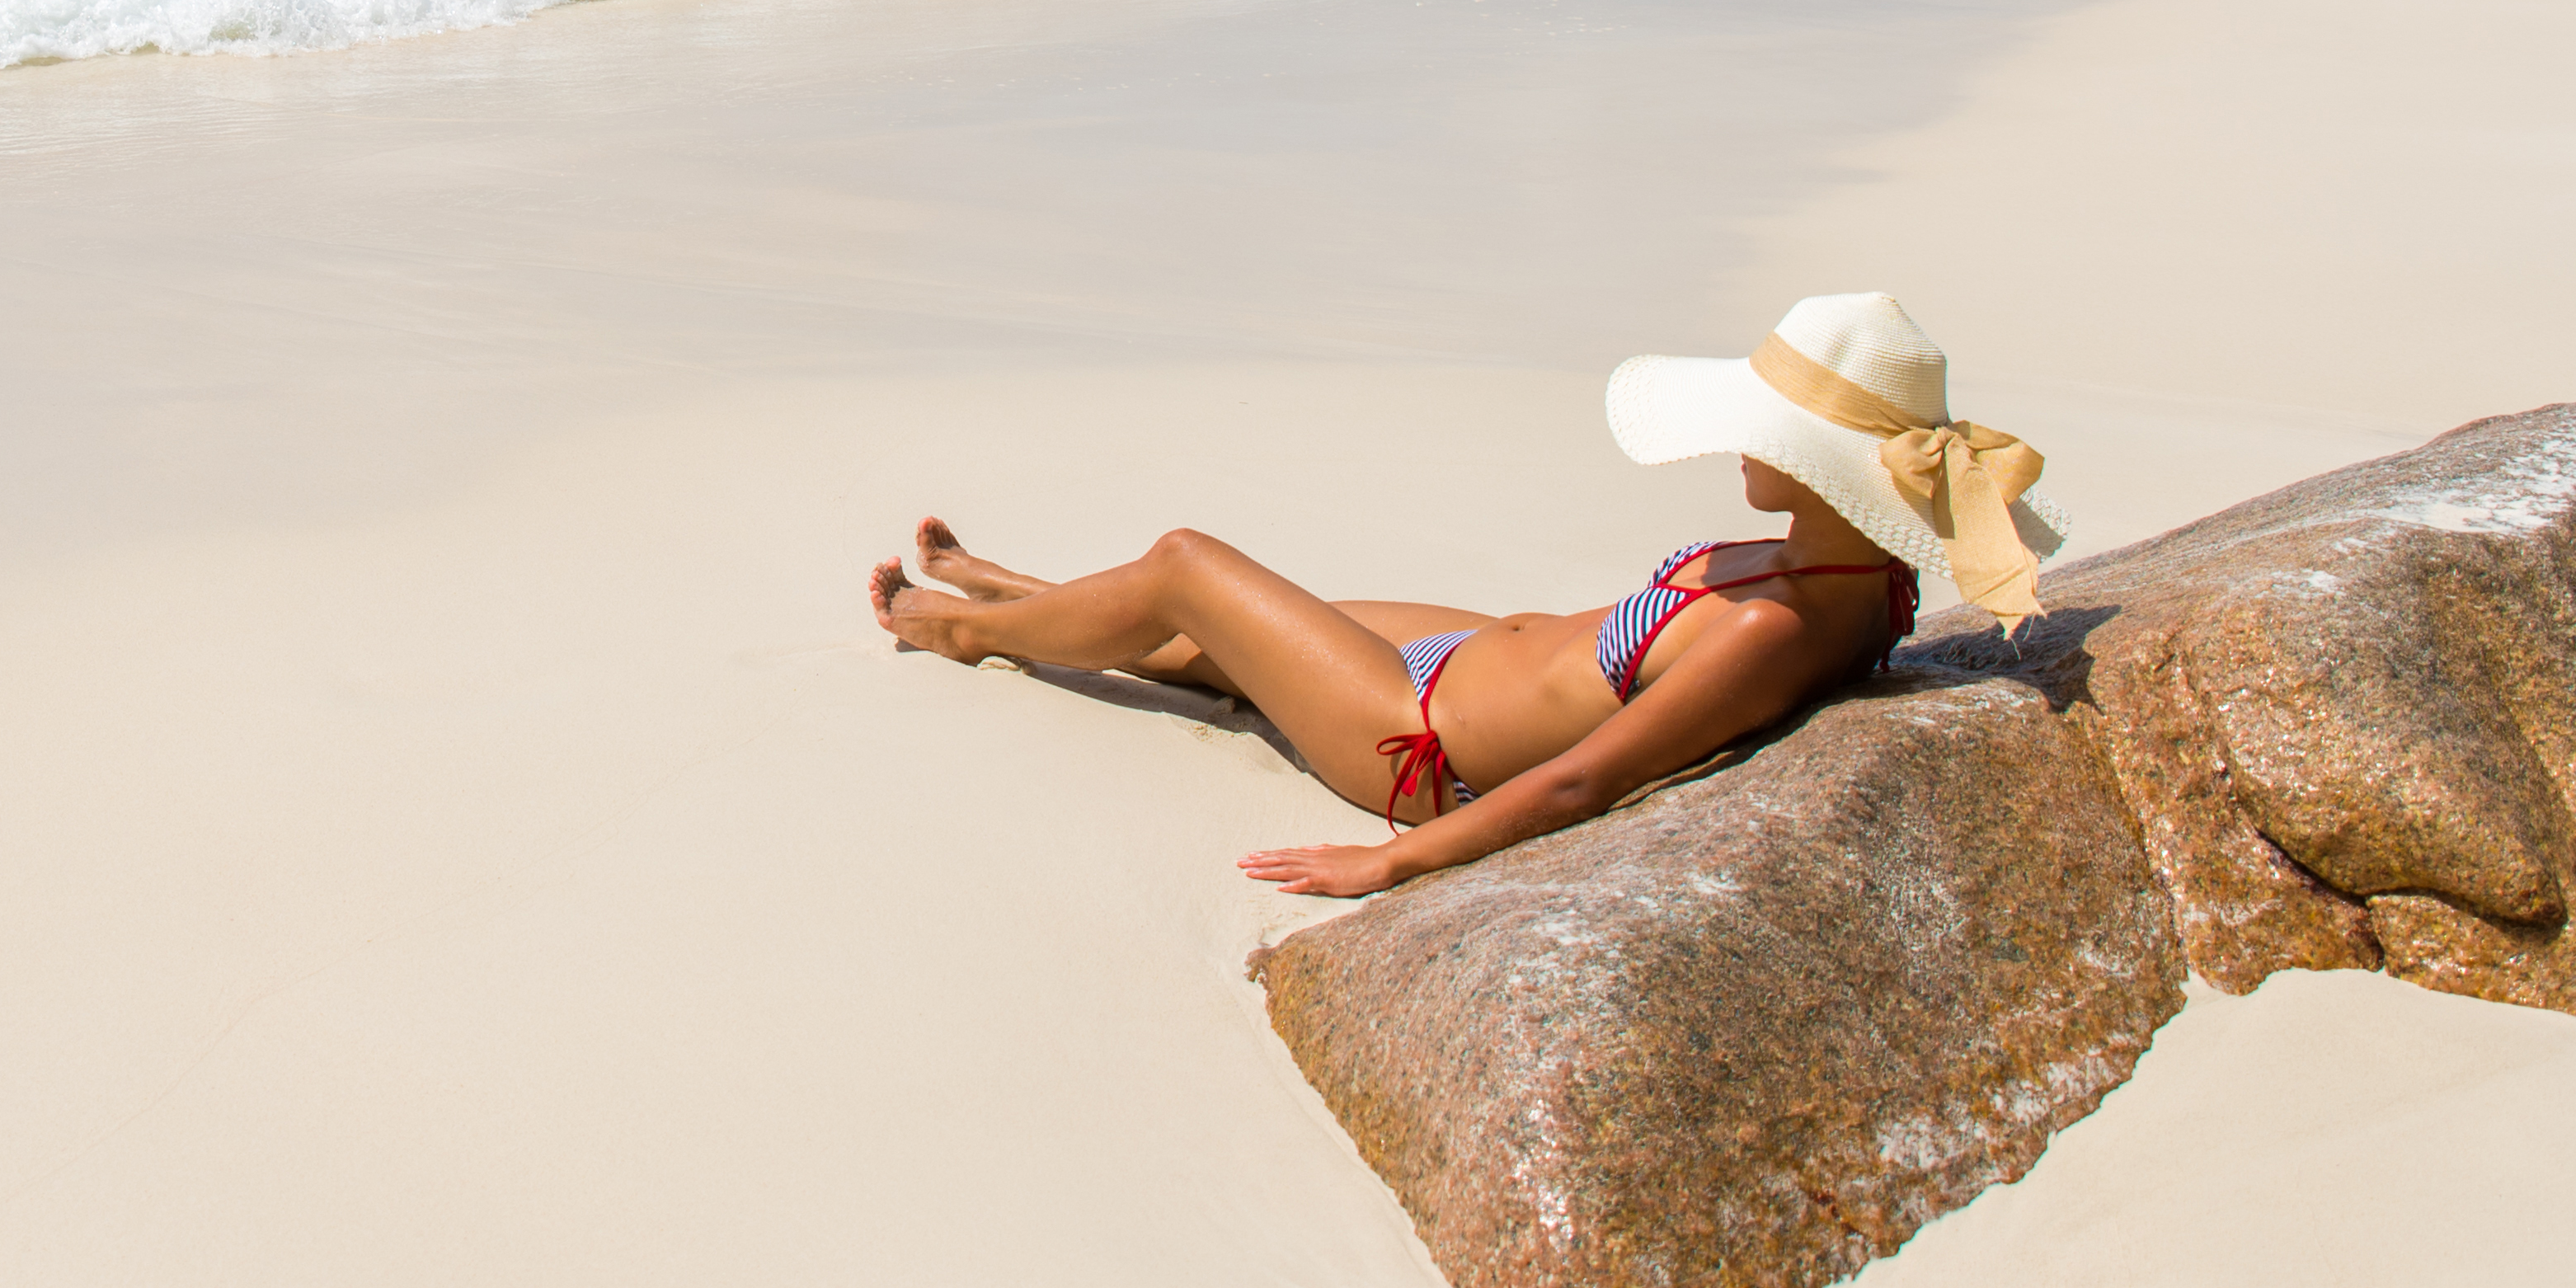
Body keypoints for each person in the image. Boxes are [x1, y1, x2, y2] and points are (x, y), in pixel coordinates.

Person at [865, 292, 2066, 900]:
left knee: (1189, 566)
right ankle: (1021, 593)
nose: (1734, 449)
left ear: (1817, 465)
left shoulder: (1778, 624)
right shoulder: (1863, 572)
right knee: (1236, 618)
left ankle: (967, 626)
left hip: (1421, 741)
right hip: (1463, 658)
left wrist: (1396, 866)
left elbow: (1596, 775)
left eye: (1759, 432)